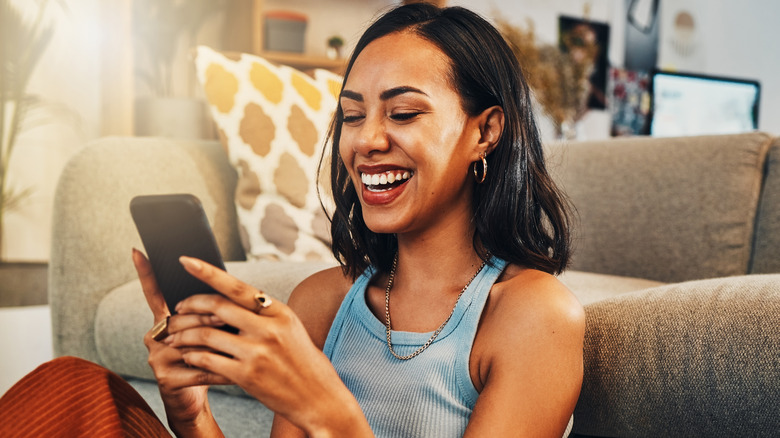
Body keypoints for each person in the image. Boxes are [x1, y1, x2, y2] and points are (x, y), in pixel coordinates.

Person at [0, 4, 584, 438]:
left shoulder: (530, 315)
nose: (367, 141)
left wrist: (327, 410)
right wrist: (191, 412)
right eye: (352, 116)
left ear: (486, 131)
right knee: (75, 387)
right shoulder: (324, 302)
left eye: (403, 113)